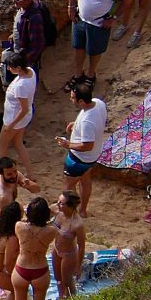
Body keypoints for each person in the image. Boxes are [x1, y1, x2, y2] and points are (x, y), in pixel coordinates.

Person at [68, 0, 127, 83]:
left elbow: (126, 0)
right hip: (80, 19)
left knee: (94, 51)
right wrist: (71, 7)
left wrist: (113, 18)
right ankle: (78, 74)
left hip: (99, 23)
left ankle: (90, 75)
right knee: (78, 47)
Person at [56, 79, 108, 215]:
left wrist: (68, 144)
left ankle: (69, 212)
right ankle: (83, 210)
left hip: (79, 158)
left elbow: (87, 145)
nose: (70, 99)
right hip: (93, 155)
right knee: (85, 180)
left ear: (81, 102)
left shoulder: (87, 121)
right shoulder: (99, 103)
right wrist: (76, 124)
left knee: (69, 186)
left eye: (73, 98)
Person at [11, 197, 58, 300]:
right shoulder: (51, 231)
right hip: (40, 270)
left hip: (21, 268)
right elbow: (55, 221)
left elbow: (24, 214)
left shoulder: (18, 226)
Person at [0, 50, 36, 174]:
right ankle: (30, 172)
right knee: (18, 143)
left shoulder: (20, 86)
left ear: (19, 68)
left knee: (2, 147)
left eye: (11, 67)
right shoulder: (30, 71)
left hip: (14, 118)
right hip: (23, 117)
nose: (8, 69)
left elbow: (23, 109)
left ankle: (1, 174)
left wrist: (11, 125)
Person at [9, 0, 48, 87]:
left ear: (27, 0)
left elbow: (38, 45)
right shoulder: (22, 8)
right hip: (19, 53)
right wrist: (15, 34)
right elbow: (21, 24)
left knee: (27, 86)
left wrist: (24, 62)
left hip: (27, 60)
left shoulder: (35, 18)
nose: (14, 1)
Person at [51, 190, 86, 299]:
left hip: (68, 254)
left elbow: (81, 246)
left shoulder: (77, 224)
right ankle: (62, 297)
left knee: (67, 281)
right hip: (56, 249)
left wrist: (79, 265)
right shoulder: (57, 211)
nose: (58, 204)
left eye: (61, 203)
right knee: (58, 279)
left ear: (70, 206)